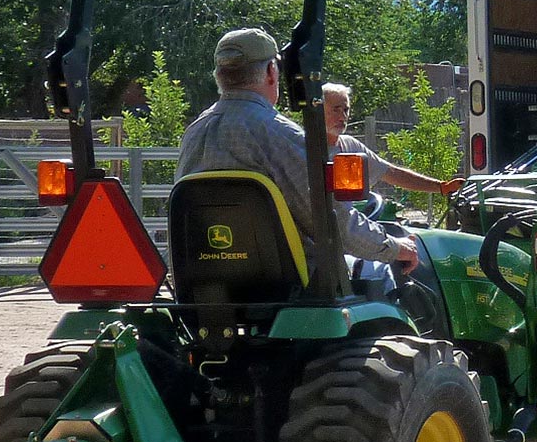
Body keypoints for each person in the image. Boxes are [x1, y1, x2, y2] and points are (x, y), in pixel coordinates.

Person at [176, 28, 419, 276]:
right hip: (287, 286)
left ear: (219, 75)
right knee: (385, 279)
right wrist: (395, 247)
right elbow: (334, 223)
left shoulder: (194, 133)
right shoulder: (278, 134)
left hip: (203, 286)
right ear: (271, 72)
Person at [322, 82, 465, 196]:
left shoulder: (349, 145)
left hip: (350, 221)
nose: (342, 117)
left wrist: (441, 187)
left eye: (346, 110)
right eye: (336, 110)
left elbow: (391, 173)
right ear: (318, 111)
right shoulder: (309, 150)